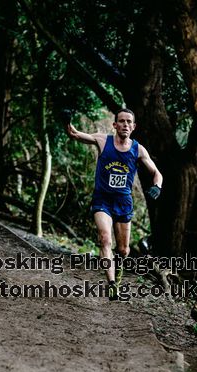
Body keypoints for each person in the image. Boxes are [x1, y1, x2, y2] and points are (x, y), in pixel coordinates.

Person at [65, 108, 163, 300]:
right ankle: (111, 285)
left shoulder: (138, 149)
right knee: (105, 239)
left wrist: (157, 187)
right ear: (115, 125)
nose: (125, 125)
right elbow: (74, 133)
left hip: (123, 203)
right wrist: (67, 121)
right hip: (102, 200)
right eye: (122, 121)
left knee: (123, 250)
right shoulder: (103, 141)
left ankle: (117, 273)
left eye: (129, 122)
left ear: (133, 127)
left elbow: (157, 173)